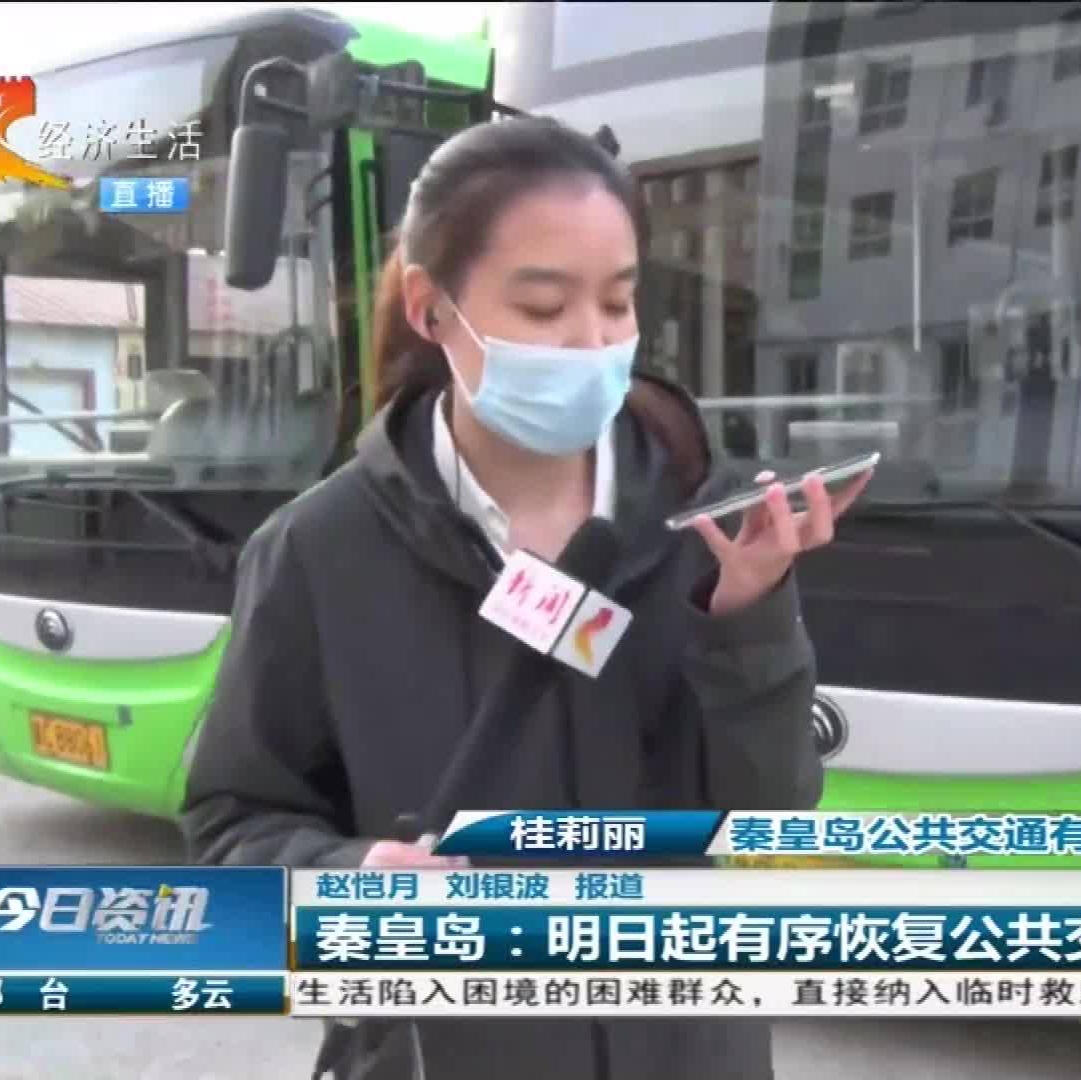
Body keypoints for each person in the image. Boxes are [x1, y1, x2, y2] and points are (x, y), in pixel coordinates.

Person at [180, 115, 870, 1080]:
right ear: (432, 309)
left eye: (618, 302)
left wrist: (747, 620)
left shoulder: (707, 524)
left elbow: (766, 813)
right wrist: (344, 879)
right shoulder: (317, 552)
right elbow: (231, 823)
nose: (592, 342)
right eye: (544, 308)